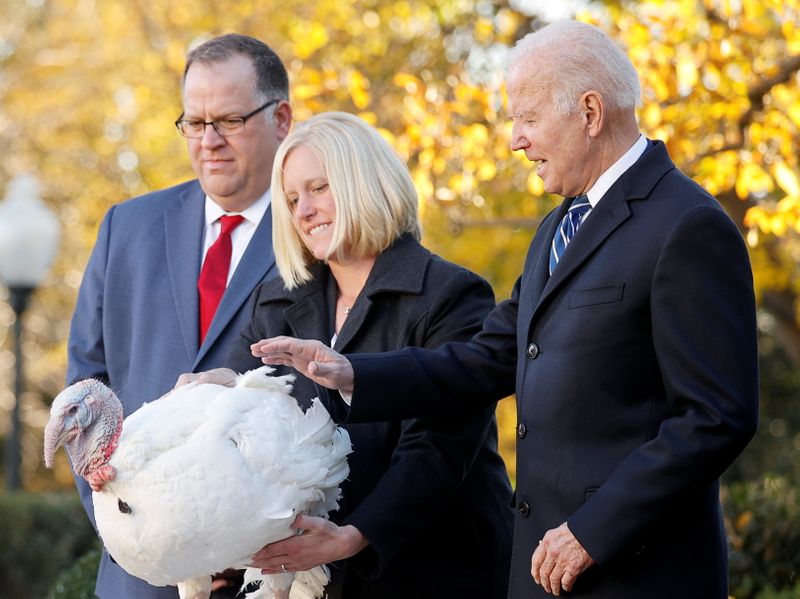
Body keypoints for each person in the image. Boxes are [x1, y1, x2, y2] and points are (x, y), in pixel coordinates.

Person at [250, 20, 760, 599]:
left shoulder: (688, 226)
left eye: (528, 118)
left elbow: (717, 418)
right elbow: (486, 358)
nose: (515, 140)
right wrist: (351, 373)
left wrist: (592, 531)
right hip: (543, 574)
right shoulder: (556, 229)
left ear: (589, 113)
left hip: (638, 574)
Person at [183, 111, 514, 598]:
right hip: (313, 576)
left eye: (319, 188)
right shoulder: (277, 299)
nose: (304, 211)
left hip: (435, 570)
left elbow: (439, 447)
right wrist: (203, 402)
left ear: (366, 182)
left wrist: (355, 536)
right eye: (293, 198)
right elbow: (241, 424)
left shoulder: (451, 294)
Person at [66, 34, 292, 599]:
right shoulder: (127, 228)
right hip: (137, 576)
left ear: (281, 118)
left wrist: (239, 548)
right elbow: (84, 396)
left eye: (230, 120)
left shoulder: (318, 233)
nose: (209, 141)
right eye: (194, 122)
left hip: (271, 577)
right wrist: (138, 537)